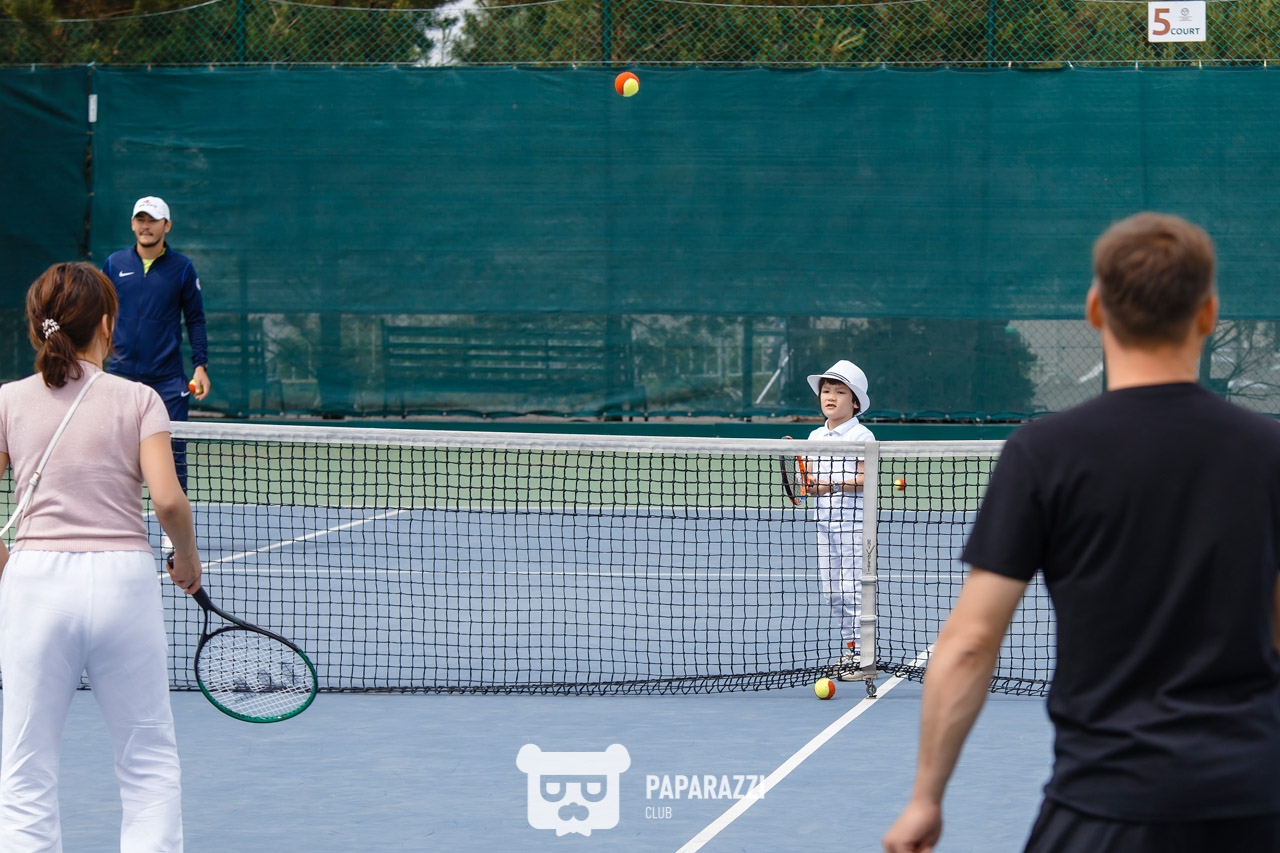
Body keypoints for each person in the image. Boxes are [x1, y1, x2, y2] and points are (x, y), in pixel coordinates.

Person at [883, 213, 1280, 853]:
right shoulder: (1269, 453)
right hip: (1253, 805)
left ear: (1095, 309)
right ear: (1208, 314)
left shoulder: (1044, 454)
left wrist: (926, 797)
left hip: (1102, 809)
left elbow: (970, 644)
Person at [0, 262, 202, 852]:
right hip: (123, 582)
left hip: (35, 583)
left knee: (25, 766)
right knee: (148, 760)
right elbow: (168, 500)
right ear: (108, 325)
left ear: (38, 327)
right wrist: (187, 559)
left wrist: (7, 563)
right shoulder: (140, 400)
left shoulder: (8, 400)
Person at [101, 197, 209, 555]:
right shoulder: (114, 264)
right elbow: (99, 312)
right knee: (112, 452)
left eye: (153, 220)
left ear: (167, 225)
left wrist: (200, 365)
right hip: (120, 376)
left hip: (168, 380)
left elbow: (195, 319)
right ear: (133, 224)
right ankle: (115, 523)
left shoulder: (182, 268)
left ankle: (173, 532)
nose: (146, 226)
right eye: (141, 220)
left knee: (174, 454)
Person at [797, 360, 875, 676]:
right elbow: (808, 483)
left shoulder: (862, 435)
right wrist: (809, 486)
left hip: (855, 526)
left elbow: (867, 478)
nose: (830, 397)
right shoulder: (814, 436)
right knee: (832, 593)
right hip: (824, 525)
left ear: (854, 402)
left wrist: (832, 485)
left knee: (852, 590)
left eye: (840, 392)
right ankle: (850, 650)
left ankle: (864, 657)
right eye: (826, 391)